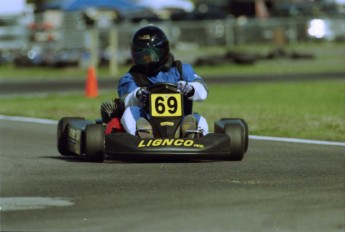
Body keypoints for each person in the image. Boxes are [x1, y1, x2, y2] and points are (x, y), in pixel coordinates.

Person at [117, 25, 208, 138]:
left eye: (150, 55)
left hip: (180, 121)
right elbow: (126, 100)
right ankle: (142, 134)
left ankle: (192, 133)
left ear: (162, 51)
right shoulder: (131, 77)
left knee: (197, 119)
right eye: (141, 55)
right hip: (147, 120)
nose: (146, 59)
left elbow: (202, 90)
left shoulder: (180, 69)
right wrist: (138, 94)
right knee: (129, 113)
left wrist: (190, 89)